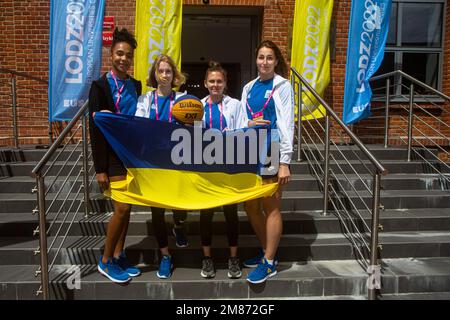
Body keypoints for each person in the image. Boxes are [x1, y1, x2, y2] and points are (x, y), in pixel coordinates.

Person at [89, 28, 142, 283]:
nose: (123, 59)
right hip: (110, 156)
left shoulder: (136, 85)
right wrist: (100, 168)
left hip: (130, 156)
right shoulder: (100, 86)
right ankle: (106, 260)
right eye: (119, 53)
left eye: (128, 55)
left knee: (128, 207)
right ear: (111, 54)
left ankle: (120, 255)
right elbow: (95, 129)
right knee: (120, 208)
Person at [240, 40, 294, 284]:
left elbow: (286, 123)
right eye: (261, 57)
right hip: (249, 148)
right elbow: (242, 118)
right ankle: (266, 251)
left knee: (270, 206)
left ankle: (270, 262)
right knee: (250, 206)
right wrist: (247, 124)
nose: (264, 62)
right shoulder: (249, 87)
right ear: (256, 59)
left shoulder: (282, 85)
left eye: (269, 58)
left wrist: (284, 161)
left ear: (276, 61)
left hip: (271, 147)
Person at [135, 54, 189, 279]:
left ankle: (179, 225)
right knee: (157, 210)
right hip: (153, 163)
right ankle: (165, 256)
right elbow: (137, 126)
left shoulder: (184, 99)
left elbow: (196, 127)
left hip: (177, 161)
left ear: (174, 75)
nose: (165, 75)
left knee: (180, 205)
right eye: (161, 71)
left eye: (168, 71)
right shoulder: (144, 101)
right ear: (154, 75)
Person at [198, 61, 247, 279]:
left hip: (229, 168)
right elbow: (191, 137)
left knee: (231, 214)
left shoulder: (235, 105)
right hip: (206, 169)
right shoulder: (197, 106)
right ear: (205, 83)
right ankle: (207, 259)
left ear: (225, 83)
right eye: (212, 81)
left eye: (219, 81)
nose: (216, 85)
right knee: (205, 213)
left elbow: (244, 130)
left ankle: (233, 258)